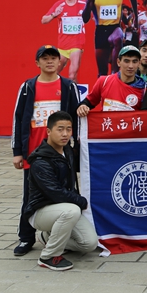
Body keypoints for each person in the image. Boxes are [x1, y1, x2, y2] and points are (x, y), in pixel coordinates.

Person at [11, 45, 80, 256]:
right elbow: (18, 119)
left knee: (65, 192)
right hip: (35, 154)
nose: (50, 61)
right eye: (45, 58)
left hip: (61, 154)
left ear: (60, 62)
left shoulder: (68, 86)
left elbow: (76, 119)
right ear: (37, 62)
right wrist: (17, 151)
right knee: (30, 196)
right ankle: (26, 238)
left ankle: (61, 236)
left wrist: (76, 149)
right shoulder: (27, 87)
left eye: (53, 58)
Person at [23, 111, 97, 270]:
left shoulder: (67, 151)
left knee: (89, 244)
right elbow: (55, 192)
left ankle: (48, 238)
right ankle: (49, 256)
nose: (65, 134)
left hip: (63, 208)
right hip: (41, 211)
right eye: (60, 129)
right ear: (48, 131)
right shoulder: (40, 161)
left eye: (68, 129)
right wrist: (81, 201)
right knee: (72, 210)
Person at [82, 0, 138, 76]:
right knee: (102, 73)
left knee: (118, 37)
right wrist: (88, 3)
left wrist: (136, 17)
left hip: (115, 27)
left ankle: (114, 73)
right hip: (101, 31)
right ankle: (104, 84)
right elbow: (85, 19)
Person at [77, 45, 146, 115]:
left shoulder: (144, 89)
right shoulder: (104, 81)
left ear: (139, 63)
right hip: (107, 122)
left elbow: (146, 117)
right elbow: (88, 102)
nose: (130, 66)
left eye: (134, 61)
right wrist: (83, 106)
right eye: (126, 61)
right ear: (118, 62)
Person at [41, 0, 86, 81]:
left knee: (72, 75)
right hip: (62, 46)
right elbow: (43, 20)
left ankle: (73, 91)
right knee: (53, 73)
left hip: (77, 45)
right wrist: (54, 14)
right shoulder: (59, 5)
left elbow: (96, 17)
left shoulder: (84, 4)